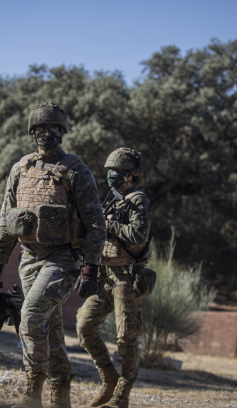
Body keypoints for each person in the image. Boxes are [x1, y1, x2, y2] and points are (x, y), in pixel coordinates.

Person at [0, 103, 106, 408]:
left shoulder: (76, 171)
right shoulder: (20, 169)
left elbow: (95, 222)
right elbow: (6, 220)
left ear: (62, 132)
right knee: (49, 328)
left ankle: (31, 396)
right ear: (32, 133)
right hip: (29, 259)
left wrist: (90, 268)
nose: (47, 133)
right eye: (41, 129)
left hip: (63, 260)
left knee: (30, 317)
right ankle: (61, 393)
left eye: (53, 128)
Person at [76, 148, 151, 408]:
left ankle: (121, 396)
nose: (111, 175)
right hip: (103, 277)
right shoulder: (109, 200)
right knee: (84, 328)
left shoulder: (137, 200)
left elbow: (139, 235)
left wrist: (108, 225)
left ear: (130, 174)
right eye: (109, 171)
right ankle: (109, 379)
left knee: (126, 338)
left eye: (116, 171)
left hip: (126, 279)